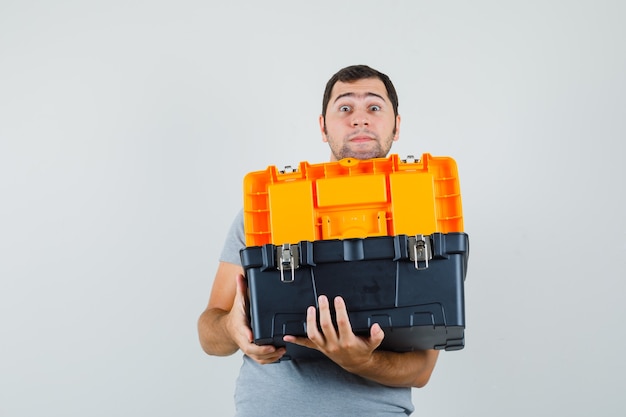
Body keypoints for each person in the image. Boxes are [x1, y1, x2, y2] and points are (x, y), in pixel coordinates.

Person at [197, 65, 439, 416]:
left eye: (374, 107)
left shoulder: (429, 220)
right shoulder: (267, 210)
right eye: (344, 108)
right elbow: (209, 335)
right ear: (323, 127)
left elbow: (422, 370)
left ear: (396, 125)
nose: (359, 119)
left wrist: (361, 362)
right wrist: (233, 330)